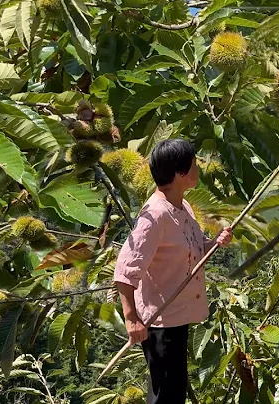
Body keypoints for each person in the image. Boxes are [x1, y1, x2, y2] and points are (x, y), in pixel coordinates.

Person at [113, 139, 233, 404]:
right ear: (180, 173)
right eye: (194, 164)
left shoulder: (182, 206)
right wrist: (132, 320)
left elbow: (191, 248)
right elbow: (124, 271)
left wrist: (214, 243)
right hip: (160, 323)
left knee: (173, 391)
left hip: (176, 317)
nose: (198, 168)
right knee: (165, 396)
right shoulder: (155, 216)